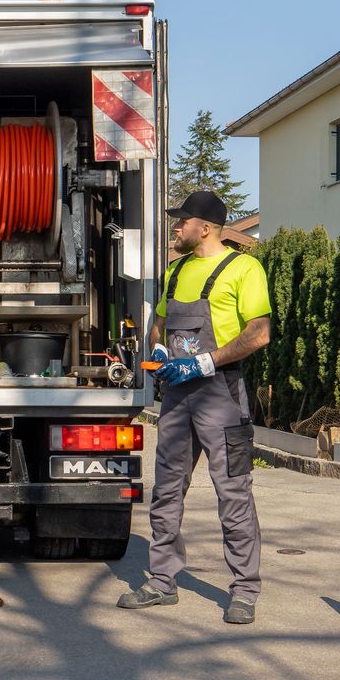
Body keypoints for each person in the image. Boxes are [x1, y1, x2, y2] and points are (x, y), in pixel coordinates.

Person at [117, 190, 271, 624]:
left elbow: (259, 333)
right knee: (167, 490)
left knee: (233, 493)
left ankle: (244, 589)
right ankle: (162, 582)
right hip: (178, 397)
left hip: (221, 394)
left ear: (204, 227)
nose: (176, 227)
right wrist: (162, 352)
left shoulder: (245, 269)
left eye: (181, 221)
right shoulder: (176, 270)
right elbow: (160, 326)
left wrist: (207, 359)